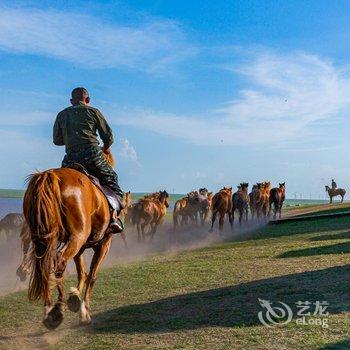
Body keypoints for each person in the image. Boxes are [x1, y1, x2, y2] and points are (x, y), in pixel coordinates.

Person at [53, 87, 124, 233]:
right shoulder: (93, 111)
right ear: (88, 100)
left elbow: (56, 140)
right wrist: (106, 147)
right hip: (92, 155)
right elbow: (108, 136)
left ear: (71, 101)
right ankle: (113, 219)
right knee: (112, 179)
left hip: (71, 158)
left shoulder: (61, 114)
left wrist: (70, 140)